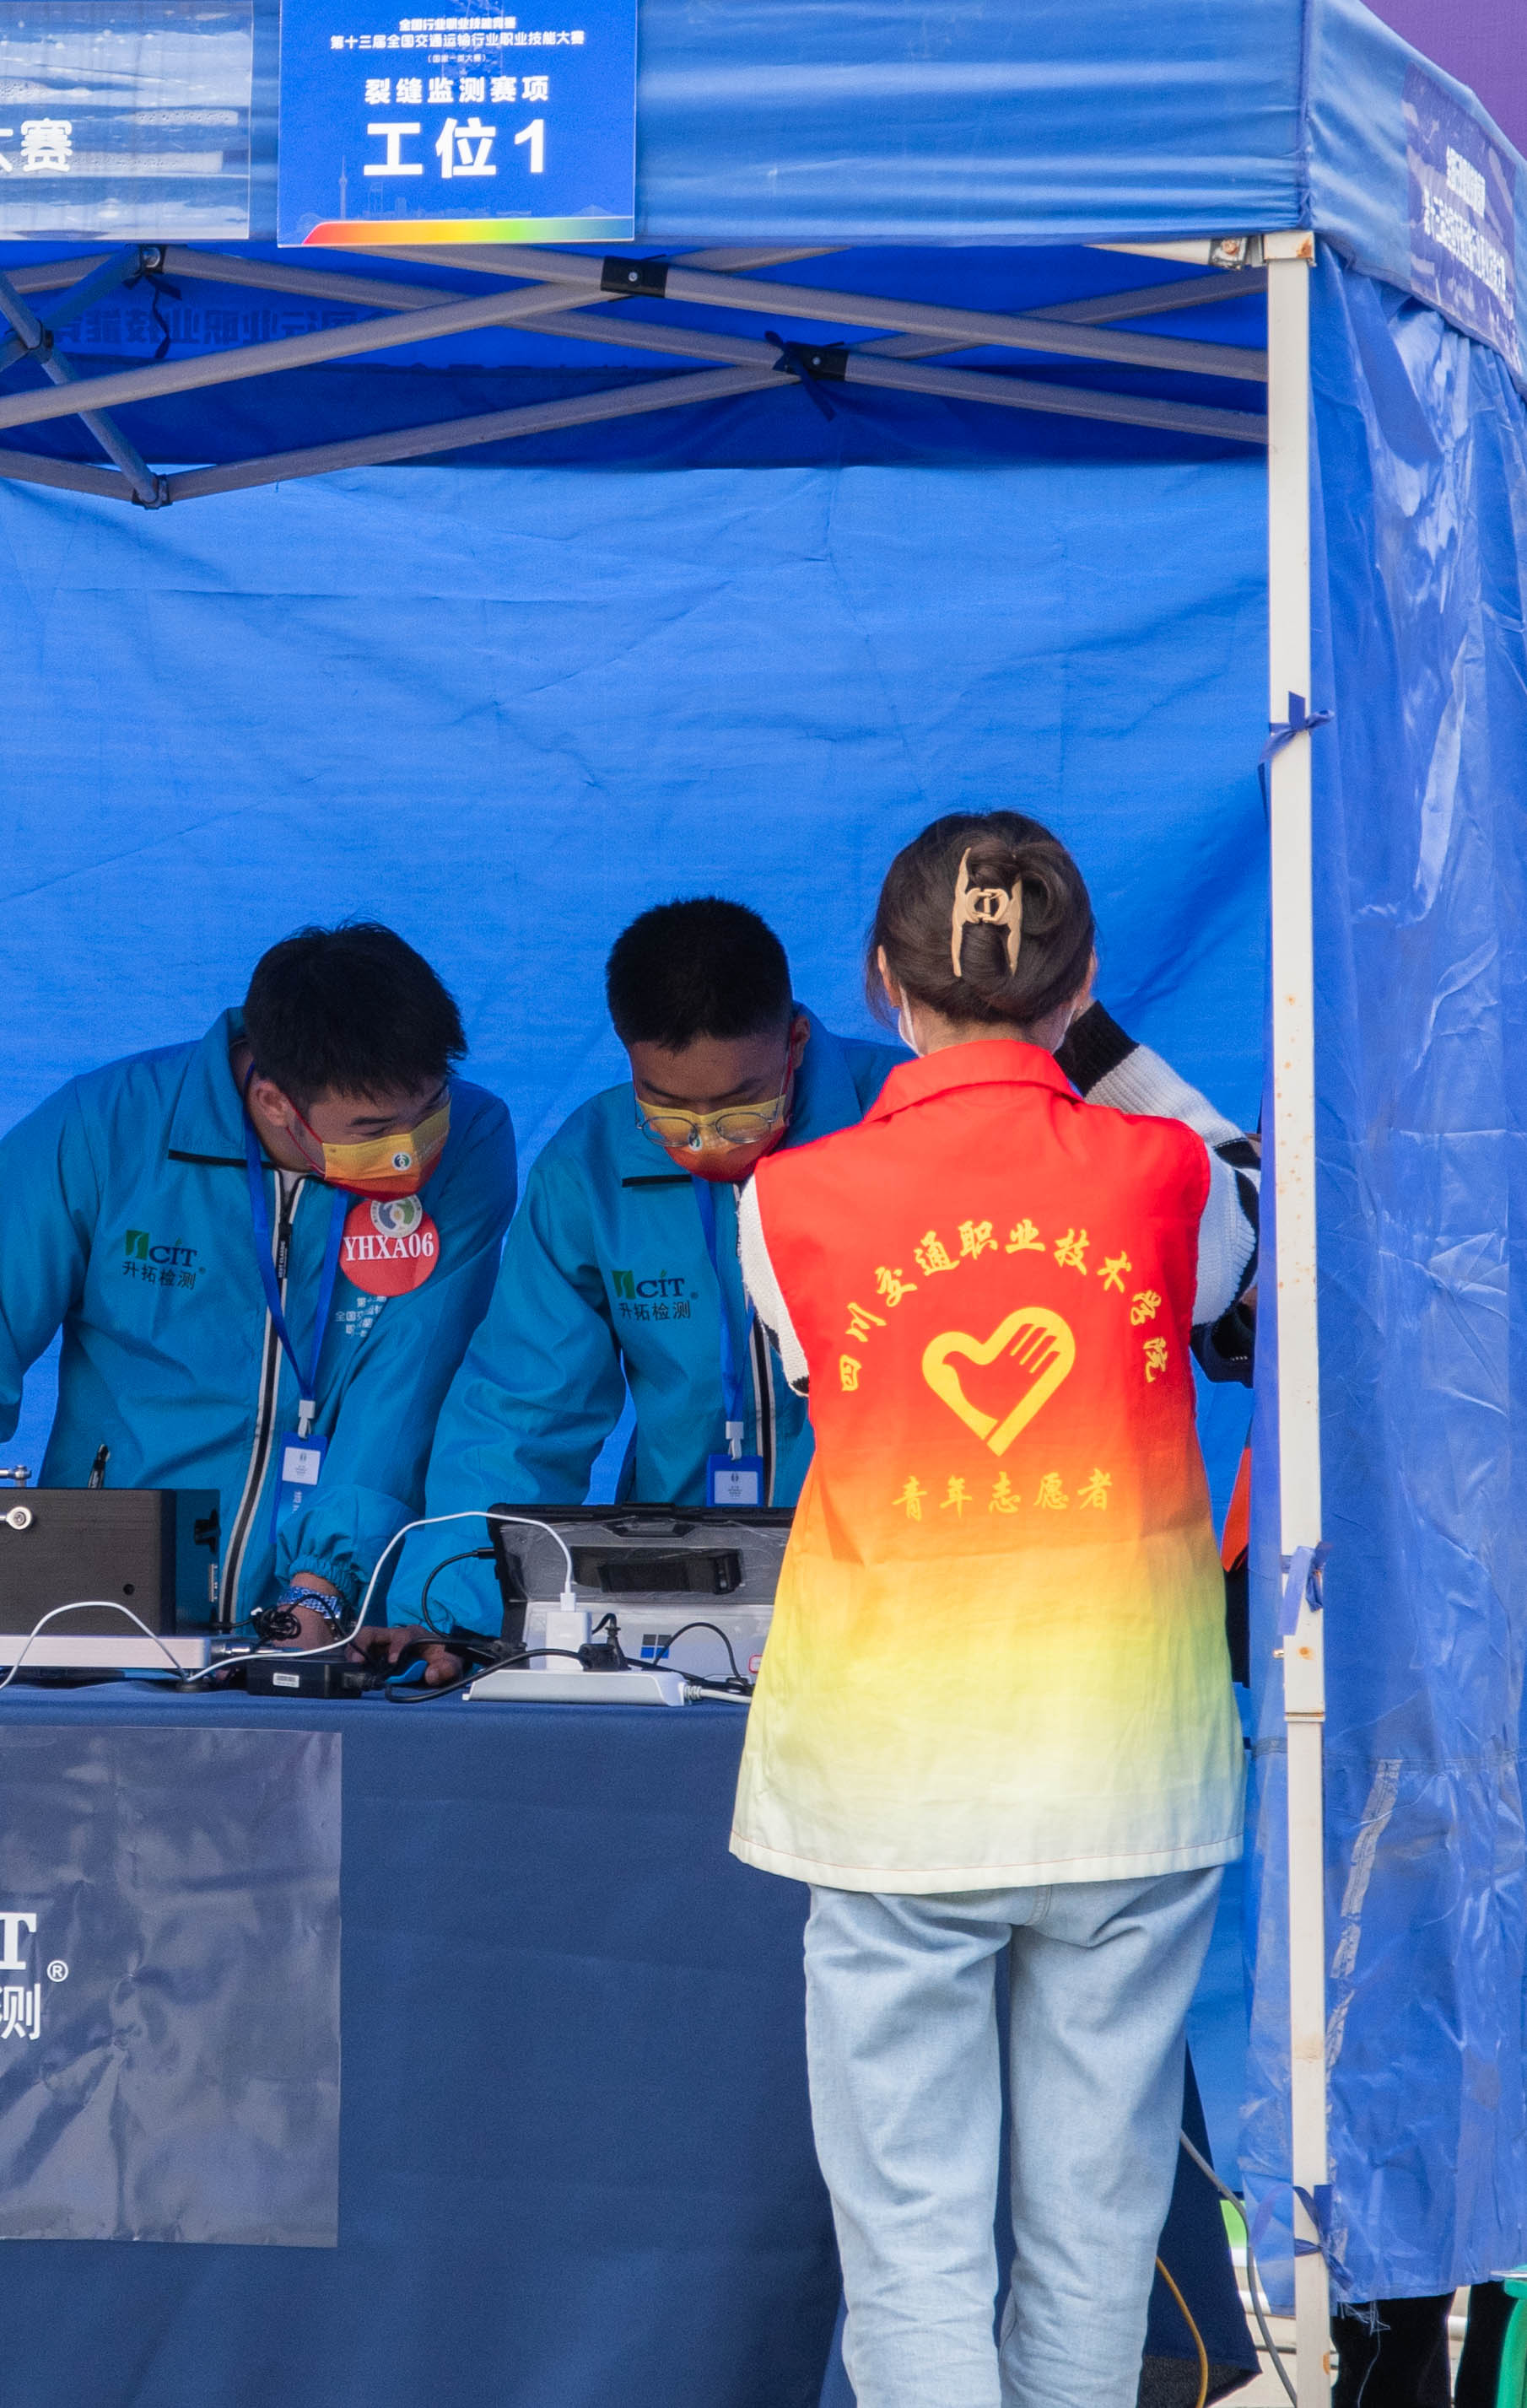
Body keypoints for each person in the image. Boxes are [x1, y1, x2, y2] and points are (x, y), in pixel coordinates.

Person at [732, 811, 1257, 2408]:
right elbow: (1257, 1221)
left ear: (876, 982)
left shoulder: (782, 1202)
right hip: (1127, 1763)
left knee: (910, 2246)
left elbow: (826, 1374)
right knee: (1093, 2236)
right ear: (1082, 984)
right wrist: (1095, 1053)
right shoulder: (1171, 1179)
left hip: (891, 1776)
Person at [0, 922, 515, 1654]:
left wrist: (321, 1590)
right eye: (372, 1131)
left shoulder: (470, 1140)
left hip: (332, 1622)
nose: (411, 1150)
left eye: (429, 1109)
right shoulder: (101, 1130)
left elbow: (405, 1383)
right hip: (106, 1602)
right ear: (276, 1102)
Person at [411, 900, 904, 1628]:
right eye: (669, 1112)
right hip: (678, 1586)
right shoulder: (590, 1163)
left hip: (886, 1585)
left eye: (741, 1108)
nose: (706, 1143)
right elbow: (522, 1409)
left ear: (795, 1042)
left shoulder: (903, 1125)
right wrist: (453, 1617)